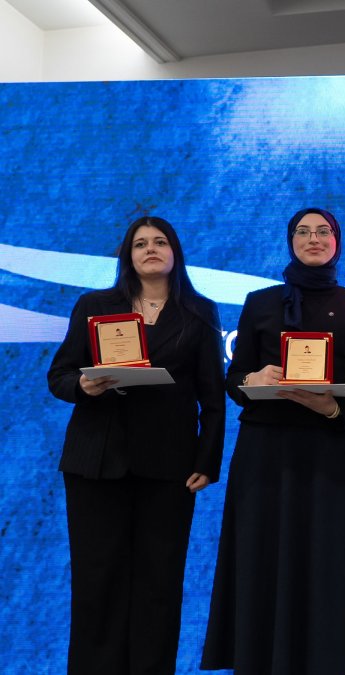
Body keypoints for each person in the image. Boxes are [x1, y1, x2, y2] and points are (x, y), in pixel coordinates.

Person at [201, 207, 345, 675]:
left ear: (337, 242)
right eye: (303, 232)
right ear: (290, 241)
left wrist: (334, 408)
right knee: (263, 562)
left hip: (329, 452)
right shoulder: (260, 303)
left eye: (323, 232)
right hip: (265, 453)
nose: (313, 238)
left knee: (326, 567)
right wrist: (254, 376)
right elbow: (233, 379)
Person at [47, 216, 224, 674]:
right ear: (127, 254)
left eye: (160, 242)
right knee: (97, 583)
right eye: (140, 243)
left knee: (158, 586)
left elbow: (212, 395)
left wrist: (208, 460)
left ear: (175, 253)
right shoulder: (94, 305)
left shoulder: (200, 313)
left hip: (169, 468)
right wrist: (83, 387)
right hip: (96, 463)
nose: (150, 249)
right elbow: (59, 375)